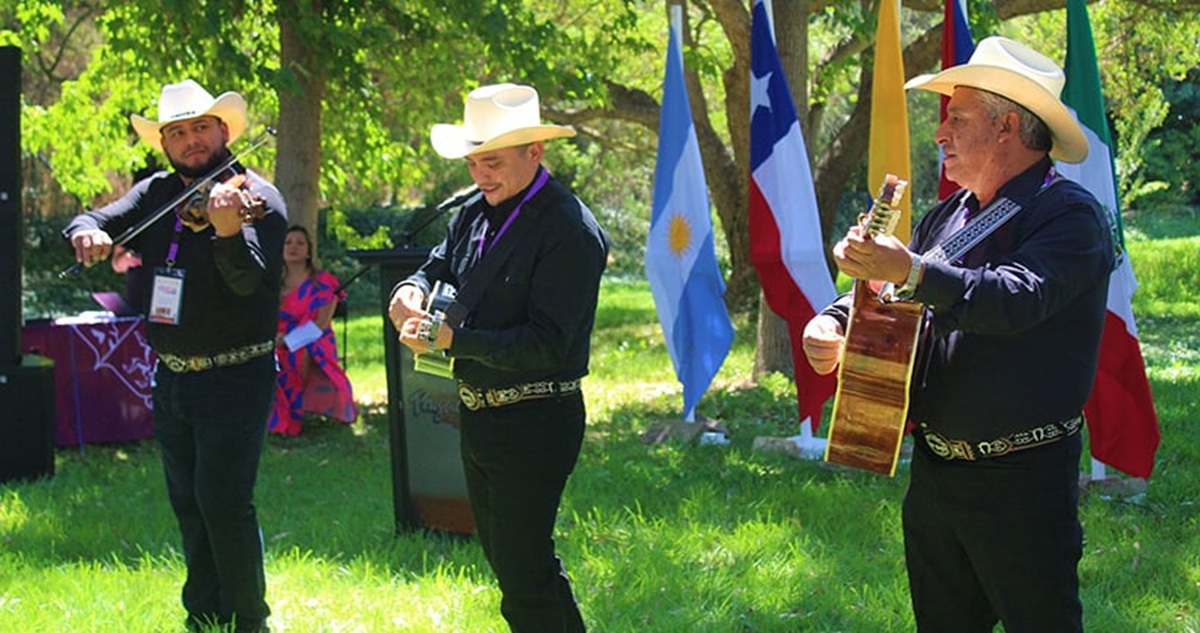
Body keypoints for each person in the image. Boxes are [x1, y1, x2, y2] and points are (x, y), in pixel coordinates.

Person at [802, 37, 1114, 632]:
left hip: (1024, 478)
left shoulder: (1069, 215)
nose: (940, 133)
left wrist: (908, 269)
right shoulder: (949, 214)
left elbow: (1011, 299)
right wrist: (834, 320)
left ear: (1009, 127)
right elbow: (894, 291)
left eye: (957, 119)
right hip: (937, 475)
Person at [64, 79, 285, 633]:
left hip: (238, 373)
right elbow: (95, 218)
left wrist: (228, 229)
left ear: (223, 131)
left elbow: (248, 284)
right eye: (178, 133)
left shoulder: (258, 196)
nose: (191, 141)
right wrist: (87, 233)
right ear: (165, 143)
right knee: (188, 500)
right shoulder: (158, 192)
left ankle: (248, 618)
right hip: (174, 377)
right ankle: (204, 613)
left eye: (200, 128)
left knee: (223, 499)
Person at [387, 83, 608, 633]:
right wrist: (409, 291)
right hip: (479, 412)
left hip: (537, 416)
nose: (480, 175)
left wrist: (453, 343)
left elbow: (547, 344)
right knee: (514, 568)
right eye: (473, 162)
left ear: (535, 152)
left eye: (493, 161)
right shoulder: (471, 213)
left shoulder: (569, 229)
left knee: (525, 571)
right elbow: (436, 267)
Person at [268, 225, 358, 436]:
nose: (293, 247)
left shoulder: (324, 283)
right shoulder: (273, 284)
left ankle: (301, 413)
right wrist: (276, 339)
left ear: (309, 251)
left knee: (300, 354)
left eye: (300, 243)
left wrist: (290, 341)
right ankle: (280, 419)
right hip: (278, 339)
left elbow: (322, 323)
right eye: (288, 242)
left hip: (315, 338)